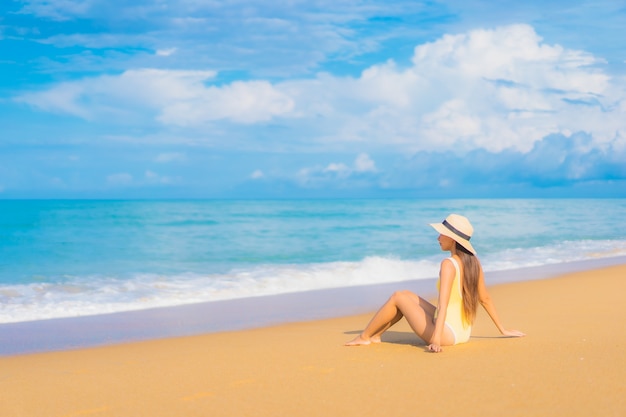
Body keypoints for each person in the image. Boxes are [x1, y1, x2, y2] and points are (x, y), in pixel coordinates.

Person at [345, 213, 525, 352]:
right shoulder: (474, 263)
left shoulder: (448, 264)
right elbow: (485, 298)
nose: (438, 238)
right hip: (462, 332)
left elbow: (443, 304)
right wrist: (503, 329)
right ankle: (375, 336)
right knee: (406, 294)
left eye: (442, 234)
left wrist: (436, 339)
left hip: (446, 334)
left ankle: (364, 336)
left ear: (452, 240)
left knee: (397, 297)